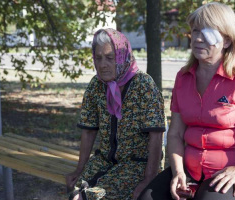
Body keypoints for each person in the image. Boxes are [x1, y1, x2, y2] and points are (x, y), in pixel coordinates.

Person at [138, 2, 235, 200]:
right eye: (195, 30)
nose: (198, 38)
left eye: (208, 32)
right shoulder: (183, 77)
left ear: (226, 41)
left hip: (233, 173)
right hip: (190, 171)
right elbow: (175, 133)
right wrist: (178, 172)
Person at [66, 28, 166, 200]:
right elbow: (89, 131)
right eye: (98, 58)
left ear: (122, 57)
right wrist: (79, 168)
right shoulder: (96, 85)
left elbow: (156, 136)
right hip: (103, 161)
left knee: (91, 197)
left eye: (110, 58)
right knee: (76, 194)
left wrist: (149, 179)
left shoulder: (144, 86)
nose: (103, 64)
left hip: (137, 165)